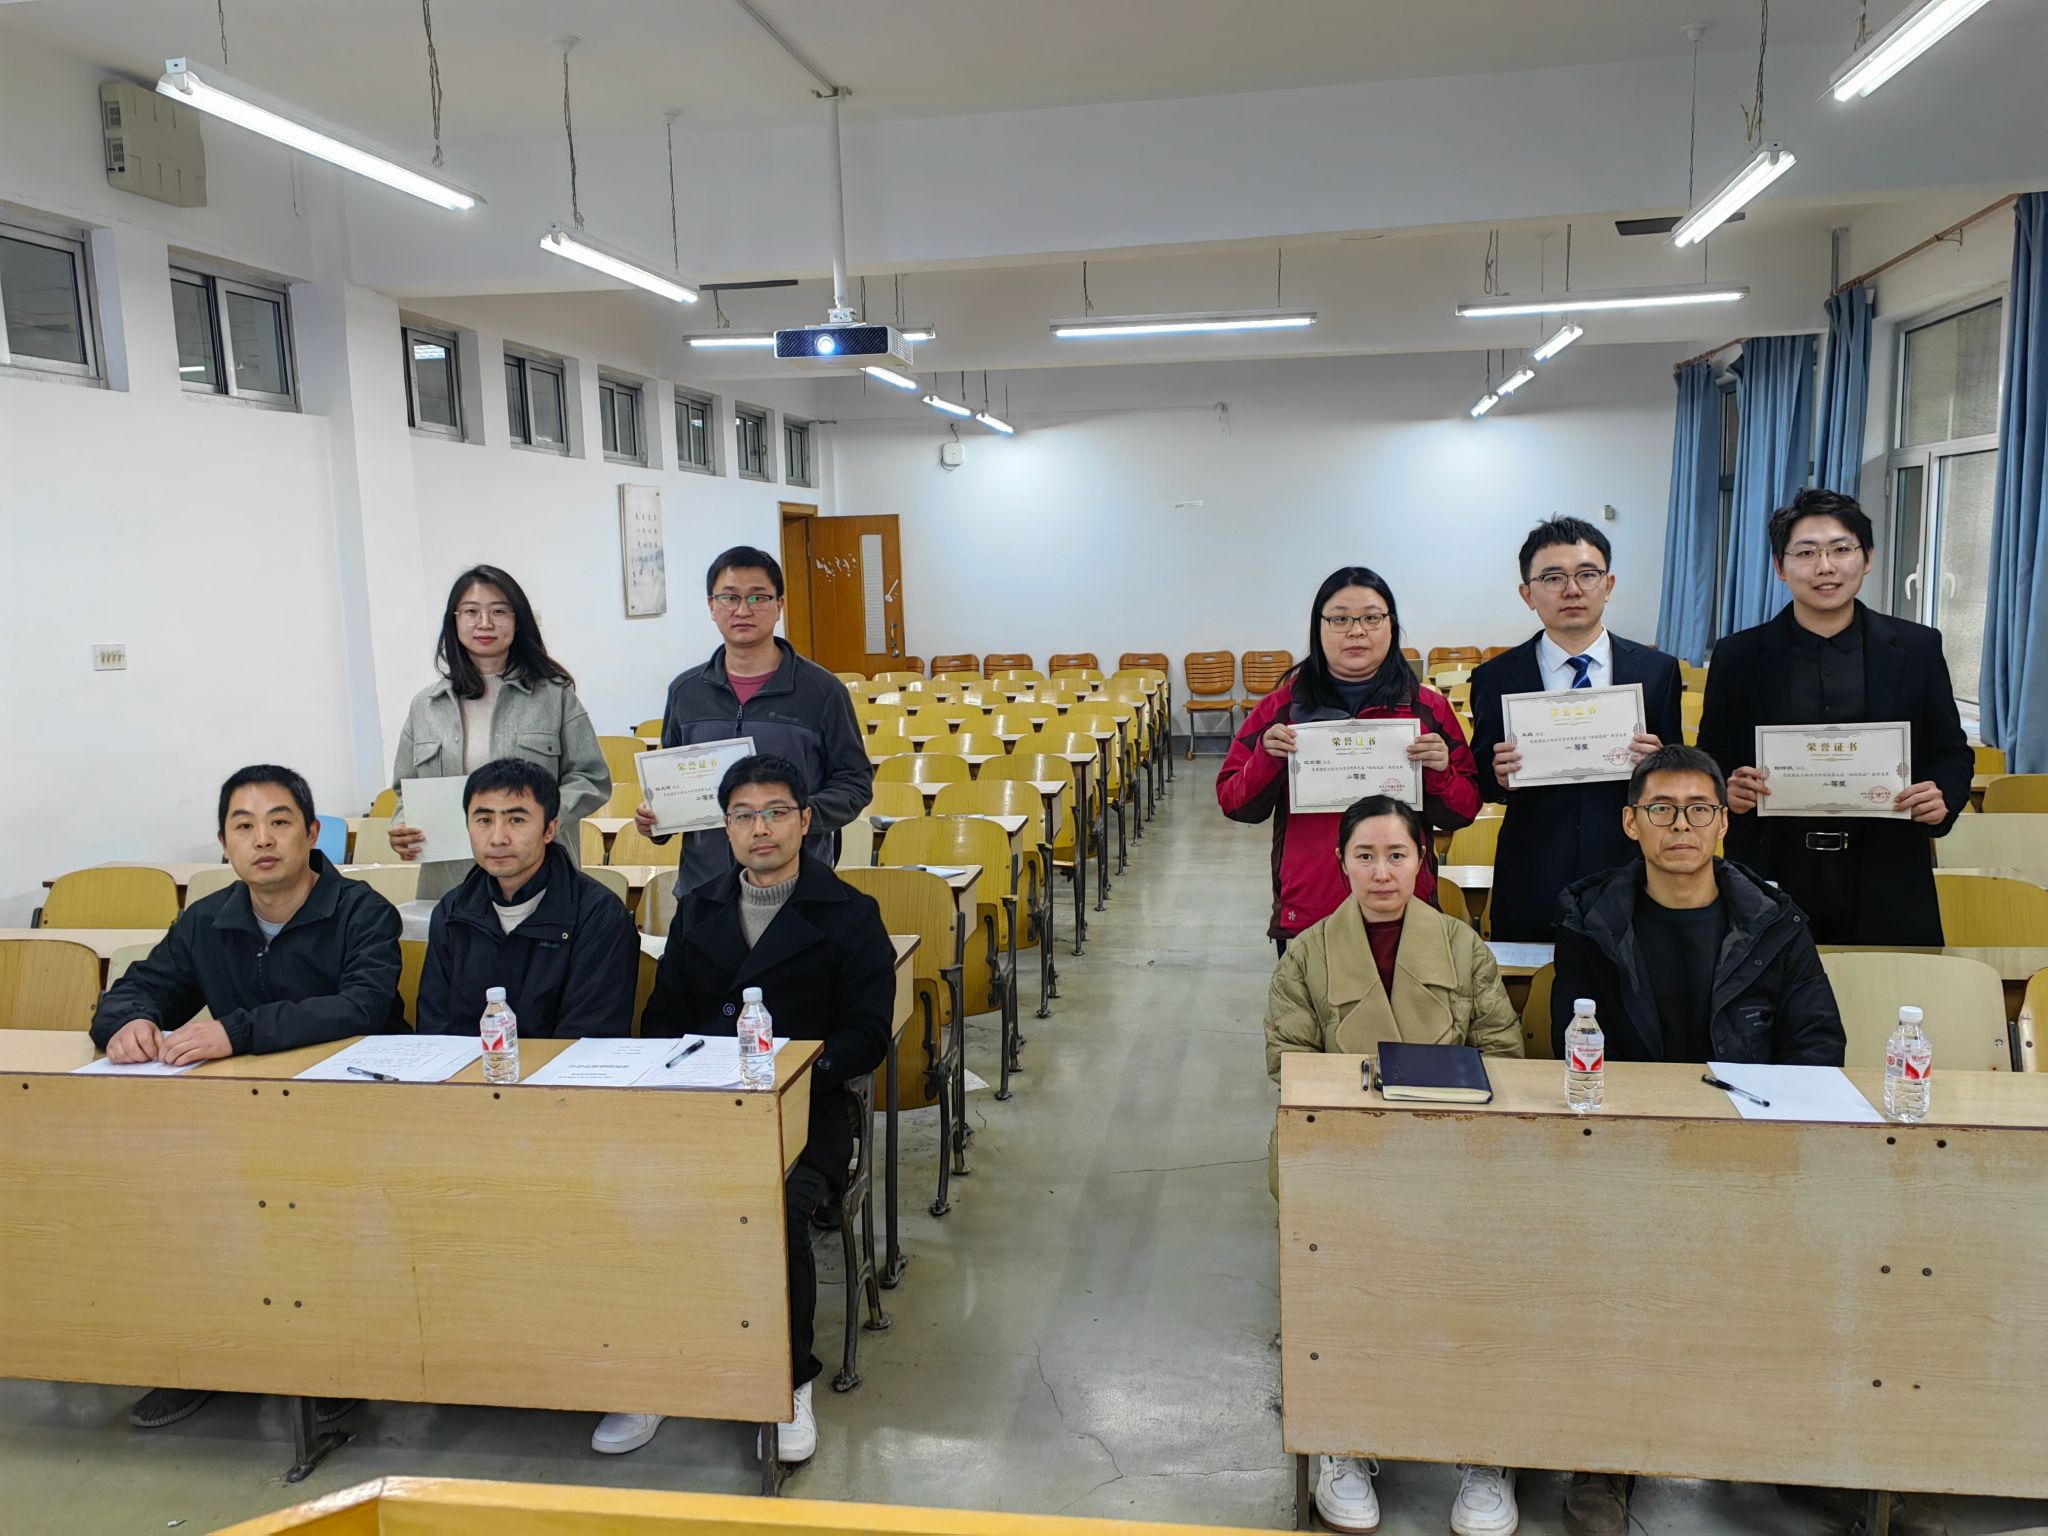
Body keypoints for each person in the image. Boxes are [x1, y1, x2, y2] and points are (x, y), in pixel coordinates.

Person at [1549, 745, 1847, 1536]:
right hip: (1631, 1153)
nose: (1680, 825)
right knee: (1610, 1272)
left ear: (1723, 822)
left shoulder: (1775, 923)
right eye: (1661, 809)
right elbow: (1573, 1045)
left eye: (1698, 809)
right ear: (1631, 823)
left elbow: (1817, 1043)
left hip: (1751, 1151)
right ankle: (1605, 1456)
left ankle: (1798, 1450)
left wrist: (1756, 1138)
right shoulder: (1588, 919)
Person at [595, 754, 895, 1462]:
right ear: (724, 828)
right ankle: (653, 1371)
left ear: (806, 821)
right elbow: (664, 1020)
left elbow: (866, 1036)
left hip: (805, 1110)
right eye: (743, 815)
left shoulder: (851, 914)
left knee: (774, 1209)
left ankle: (788, 1379)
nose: (761, 828)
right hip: (699, 1107)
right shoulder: (698, 908)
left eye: (776, 812)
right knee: (627, 1195)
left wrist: (792, 1072)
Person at [89, 764, 404, 1433]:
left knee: (325, 1210)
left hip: (353, 1110)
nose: (263, 839)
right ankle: (207, 1358)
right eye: (244, 826)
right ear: (225, 844)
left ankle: (335, 1363)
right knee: (178, 1196)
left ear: (313, 833)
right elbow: (139, 987)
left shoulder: (362, 910)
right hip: (243, 1114)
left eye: (279, 822)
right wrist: (127, 1022)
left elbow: (363, 1006)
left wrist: (237, 1031)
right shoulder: (207, 921)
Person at [1263, 793, 1523, 1536]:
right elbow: (1288, 1065)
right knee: (1348, 1281)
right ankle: (1345, 1437)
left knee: (1487, 1286)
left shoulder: (1463, 947)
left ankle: (1484, 1450)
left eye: (1398, 855)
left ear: (1422, 862)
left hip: (1457, 1148)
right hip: (1347, 1151)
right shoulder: (1307, 954)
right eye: (1366, 856)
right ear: (1341, 863)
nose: (1382, 873)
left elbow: (1504, 1053)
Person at [1698, 490, 1971, 945]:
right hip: (1771, 870)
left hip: (1888, 871)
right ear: (1780, 566)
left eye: (1841, 549)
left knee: (1891, 987)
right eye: (1806, 553)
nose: (1825, 567)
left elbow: (1950, 751)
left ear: (1867, 559)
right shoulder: (1737, 655)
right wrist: (1726, 787)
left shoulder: (1918, 648)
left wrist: (1943, 795)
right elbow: (1711, 753)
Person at [1219, 566, 1480, 955]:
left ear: (1391, 625)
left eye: (1371, 618)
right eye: (1340, 619)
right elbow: (1234, 802)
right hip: (1310, 917)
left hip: (1405, 914)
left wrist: (1440, 773)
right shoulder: (1282, 709)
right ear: (1318, 627)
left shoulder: (1427, 709)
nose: (1356, 631)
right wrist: (1266, 760)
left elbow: (1463, 811)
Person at [1469, 516, 1683, 940]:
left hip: (1632, 874)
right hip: (1533, 877)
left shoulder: (1657, 671)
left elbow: (1677, 776)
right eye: (1553, 578)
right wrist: (1497, 776)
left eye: (1587, 574)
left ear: (1608, 584)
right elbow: (1480, 780)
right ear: (1528, 594)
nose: (1572, 590)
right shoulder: (1495, 678)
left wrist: (1659, 764)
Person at [636, 546, 872, 896]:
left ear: (779, 606)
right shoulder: (685, 692)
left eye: (758, 597)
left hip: (798, 887)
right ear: (711, 606)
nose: (743, 610)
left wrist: (797, 815)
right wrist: (656, 818)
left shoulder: (822, 691)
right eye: (729, 597)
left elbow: (855, 782)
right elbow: (673, 781)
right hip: (705, 887)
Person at [389, 565, 611, 902]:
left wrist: (543, 818)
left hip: (538, 875)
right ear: (454, 621)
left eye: (498, 612)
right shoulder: (426, 706)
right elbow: (405, 791)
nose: (484, 623)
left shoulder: (554, 696)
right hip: (450, 881)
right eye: (471, 612)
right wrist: (404, 827)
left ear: (517, 621)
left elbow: (592, 778)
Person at [415, 758, 638, 1038]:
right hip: (468, 1065)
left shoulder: (599, 916)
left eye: (516, 820)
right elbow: (435, 1029)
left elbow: (589, 1039)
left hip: (561, 1066)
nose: (498, 838)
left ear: (550, 829)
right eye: (484, 820)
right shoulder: (451, 911)